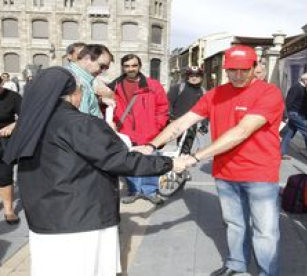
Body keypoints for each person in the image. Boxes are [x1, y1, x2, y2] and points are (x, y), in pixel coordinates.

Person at [2, 66, 182, 276]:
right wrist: (169, 164)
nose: (82, 96)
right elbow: (119, 161)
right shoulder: (79, 123)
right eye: (81, 90)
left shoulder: (29, 123)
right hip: (81, 220)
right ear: (70, 94)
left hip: (43, 219)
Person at [137, 45, 285, 276]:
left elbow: (242, 132)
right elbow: (181, 123)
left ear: (255, 67)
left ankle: (268, 273)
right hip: (225, 172)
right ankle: (236, 265)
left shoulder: (269, 93)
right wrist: (151, 146)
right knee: (234, 224)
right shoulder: (216, 94)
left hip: (260, 174)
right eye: (232, 70)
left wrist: (195, 157)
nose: (237, 75)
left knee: (265, 231)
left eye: (243, 70)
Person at [108, 54, 169, 205]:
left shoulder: (152, 85)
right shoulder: (114, 86)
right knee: (130, 164)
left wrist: (157, 126)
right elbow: (105, 107)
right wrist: (112, 123)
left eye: (134, 66)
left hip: (149, 132)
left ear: (139, 66)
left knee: (150, 162)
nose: (130, 69)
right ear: (123, 67)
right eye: (127, 66)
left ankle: (150, 191)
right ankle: (134, 191)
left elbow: (163, 107)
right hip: (126, 133)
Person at [281, 72, 307, 159]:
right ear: (306, 80)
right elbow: (289, 101)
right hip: (296, 115)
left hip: (297, 114)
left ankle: (281, 153)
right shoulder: (297, 88)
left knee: (289, 133)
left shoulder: (301, 88)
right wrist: (287, 114)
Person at [66, 44, 113, 118]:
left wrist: (99, 100)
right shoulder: (79, 83)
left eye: (106, 68)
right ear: (87, 58)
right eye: (102, 66)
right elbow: (81, 122)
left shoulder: (70, 74)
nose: (102, 71)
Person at [168, 65, 207, 154]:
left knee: (187, 145)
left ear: (201, 78)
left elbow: (206, 110)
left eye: (197, 76)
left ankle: (183, 158)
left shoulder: (203, 92)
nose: (194, 78)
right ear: (187, 77)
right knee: (177, 144)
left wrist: (204, 125)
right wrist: (170, 115)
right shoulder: (178, 88)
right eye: (191, 76)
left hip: (192, 123)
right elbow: (168, 102)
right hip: (176, 120)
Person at [0, 75, 21, 225]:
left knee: (5, 174)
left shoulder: (13, 97)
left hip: (4, 140)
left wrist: (12, 126)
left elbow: (27, 115)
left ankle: (8, 210)